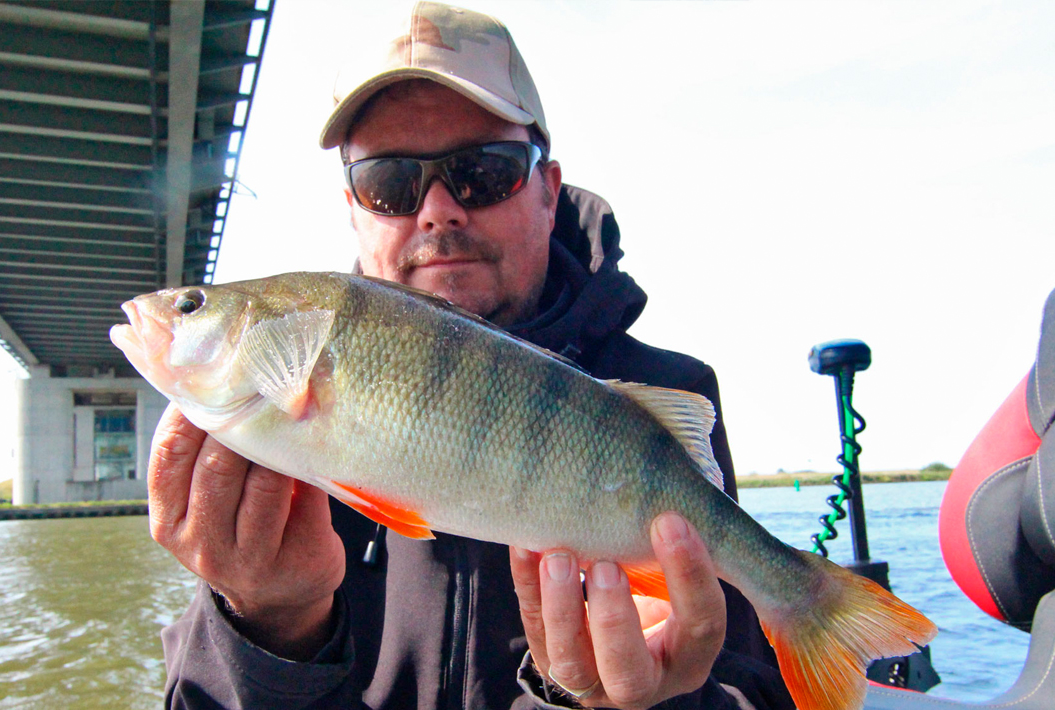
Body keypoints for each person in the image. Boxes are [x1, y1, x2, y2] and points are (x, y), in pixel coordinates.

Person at [151, 3, 792, 708]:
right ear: (354, 208)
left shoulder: (659, 391)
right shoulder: (279, 436)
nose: (436, 211)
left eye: (483, 173)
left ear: (549, 193)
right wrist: (268, 626)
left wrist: (635, 698)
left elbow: (749, 685)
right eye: (390, 183)